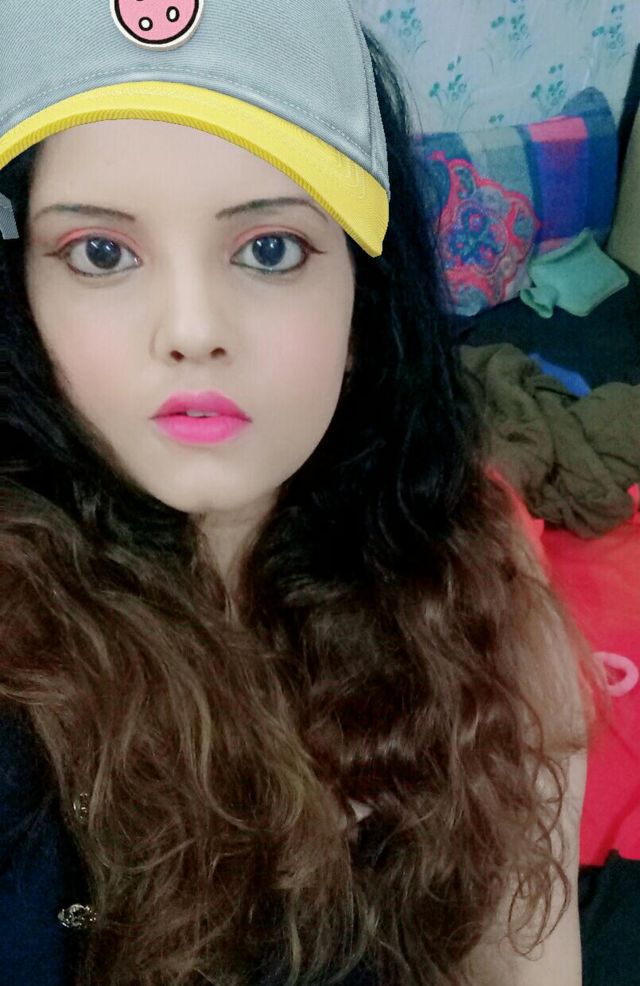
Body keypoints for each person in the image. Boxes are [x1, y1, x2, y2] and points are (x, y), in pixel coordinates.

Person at [0, 2, 594, 984]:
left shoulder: (477, 591)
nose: (192, 329)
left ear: (363, 300)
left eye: (269, 249)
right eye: (101, 253)